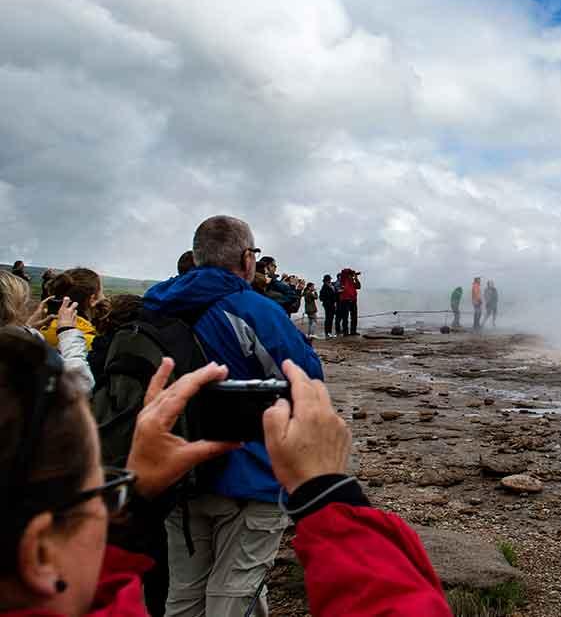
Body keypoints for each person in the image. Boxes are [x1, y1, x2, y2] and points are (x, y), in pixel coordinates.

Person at [0, 329, 453, 617]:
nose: (110, 508)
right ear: (40, 554)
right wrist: (331, 499)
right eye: (103, 491)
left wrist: (135, 504)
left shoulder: (47, 591)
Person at [141, 215, 325, 617]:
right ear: (246, 258)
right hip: (251, 473)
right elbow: (307, 381)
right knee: (232, 597)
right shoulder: (253, 310)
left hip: (177, 473)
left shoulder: (153, 308)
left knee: (184, 595)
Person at [1, 270, 92, 391]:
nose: (29, 307)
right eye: (24, 303)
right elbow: (79, 386)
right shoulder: (13, 357)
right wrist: (67, 331)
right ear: (11, 310)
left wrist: (27, 330)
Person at [41, 269, 105, 352]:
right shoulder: (94, 345)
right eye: (101, 292)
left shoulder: (41, 333)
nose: (104, 297)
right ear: (92, 300)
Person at [337, 268, 361, 337]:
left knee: (354, 316)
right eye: (350, 275)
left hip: (353, 300)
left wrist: (356, 278)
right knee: (345, 317)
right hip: (345, 300)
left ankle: (353, 331)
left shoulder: (352, 281)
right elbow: (344, 271)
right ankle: (345, 332)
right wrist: (352, 272)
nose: (352, 276)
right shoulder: (344, 279)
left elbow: (358, 286)